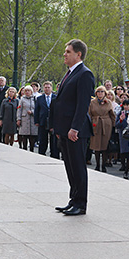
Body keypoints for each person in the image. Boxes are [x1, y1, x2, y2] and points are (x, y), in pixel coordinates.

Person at [51, 39, 95, 216]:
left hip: (76, 131)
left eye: (68, 51)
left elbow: (82, 104)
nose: (64, 54)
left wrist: (75, 128)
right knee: (69, 166)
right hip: (65, 129)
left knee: (77, 166)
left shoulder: (85, 74)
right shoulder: (70, 73)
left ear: (78, 54)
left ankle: (81, 203)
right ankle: (73, 199)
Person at [89, 86, 116, 172]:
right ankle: (97, 165)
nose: (100, 93)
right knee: (96, 146)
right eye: (98, 92)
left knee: (105, 146)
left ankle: (103, 165)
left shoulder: (108, 102)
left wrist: (113, 126)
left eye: (102, 92)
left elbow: (112, 115)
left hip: (106, 124)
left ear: (105, 93)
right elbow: (89, 114)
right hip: (95, 124)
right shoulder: (92, 102)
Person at [34, 81, 58, 158]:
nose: (47, 89)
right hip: (42, 121)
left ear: (51, 88)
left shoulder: (56, 98)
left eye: (48, 87)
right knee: (42, 140)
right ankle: (41, 155)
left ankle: (54, 155)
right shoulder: (39, 98)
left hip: (53, 122)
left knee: (53, 141)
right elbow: (36, 110)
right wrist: (36, 121)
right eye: (46, 87)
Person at [115, 99, 129, 179]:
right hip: (123, 136)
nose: (126, 107)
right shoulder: (121, 113)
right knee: (125, 155)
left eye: (127, 105)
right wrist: (121, 119)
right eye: (124, 105)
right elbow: (117, 125)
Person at [17, 85, 38, 151]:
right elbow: (19, 109)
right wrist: (18, 119)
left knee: (32, 137)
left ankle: (31, 149)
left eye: (28, 91)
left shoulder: (35, 99)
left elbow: (37, 109)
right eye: (26, 91)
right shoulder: (22, 99)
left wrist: (32, 112)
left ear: (31, 91)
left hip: (32, 120)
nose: (27, 92)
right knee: (24, 136)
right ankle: (24, 149)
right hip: (24, 120)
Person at [0, 76, 9, 142]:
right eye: (0, 81)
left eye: (2, 80)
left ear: (5, 82)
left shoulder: (8, 89)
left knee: (4, 126)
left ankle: (4, 140)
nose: (1, 82)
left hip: (5, 111)